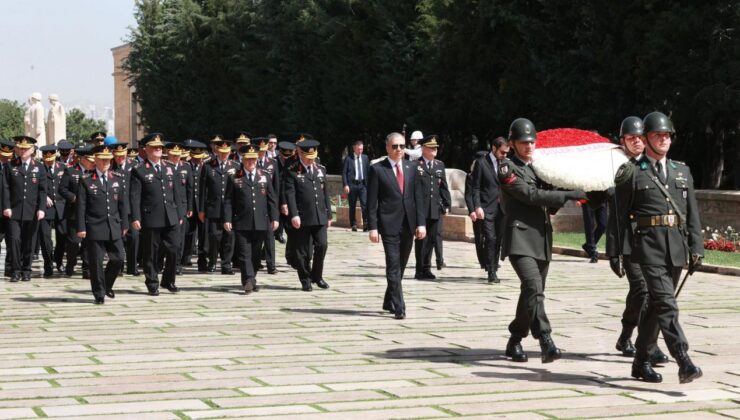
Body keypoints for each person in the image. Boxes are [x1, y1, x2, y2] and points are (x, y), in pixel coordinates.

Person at [611, 111, 703, 384]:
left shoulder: (681, 171)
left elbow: (692, 213)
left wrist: (696, 247)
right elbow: (618, 216)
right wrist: (614, 252)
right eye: (657, 135)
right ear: (646, 139)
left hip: (675, 247)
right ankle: (683, 359)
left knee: (654, 307)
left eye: (667, 135)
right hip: (647, 248)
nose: (664, 140)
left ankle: (640, 362)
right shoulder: (631, 173)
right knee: (666, 302)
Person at [498, 118, 586, 363]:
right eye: (523, 142)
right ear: (513, 144)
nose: (528, 146)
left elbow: (547, 201)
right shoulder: (506, 168)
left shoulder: (540, 168)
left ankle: (515, 340)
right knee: (534, 288)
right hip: (520, 238)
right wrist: (566, 195)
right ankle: (546, 340)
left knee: (532, 292)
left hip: (541, 238)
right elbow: (531, 195)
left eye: (531, 142)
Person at [606, 116, 669, 365]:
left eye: (640, 138)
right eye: (631, 138)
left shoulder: (653, 165)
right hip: (629, 241)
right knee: (642, 289)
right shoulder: (616, 167)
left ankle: (629, 337)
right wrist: (613, 251)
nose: (637, 142)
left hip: (651, 241)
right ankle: (646, 344)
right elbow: (616, 214)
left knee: (649, 293)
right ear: (622, 141)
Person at [367, 132, 426, 320]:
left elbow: (418, 197)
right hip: (388, 225)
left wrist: (421, 223)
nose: (399, 149)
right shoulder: (377, 169)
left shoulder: (412, 167)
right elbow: (372, 202)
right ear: (387, 148)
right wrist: (373, 227)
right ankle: (399, 306)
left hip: (408, 224)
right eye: (395, 146)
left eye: (401, 146)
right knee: (392, 265)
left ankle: (388, 298)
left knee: (400, 265)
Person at [130, 133, 182, 296]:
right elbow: (135, 196)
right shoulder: (139, 170)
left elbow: (177, 193)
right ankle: (152, 282)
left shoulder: (170, 167)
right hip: (151, 217)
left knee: (174, 248)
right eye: (155, 147)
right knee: (151, 253)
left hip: (170, 215)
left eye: (160, 147)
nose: (158, 150)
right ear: (146, 150)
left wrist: (179, 213)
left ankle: (168, 280)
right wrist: (136, 217)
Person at [223, 144, 279, 294]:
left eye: (254, 159)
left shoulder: (264, 175)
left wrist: (275, 218)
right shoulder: (234, 176)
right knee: (243, 253)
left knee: (255, 254)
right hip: (241, 221)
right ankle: (248, 279)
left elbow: (272, 199)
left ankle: (251, 279)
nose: (251, 162)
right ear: (243, 160)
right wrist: (227, 219)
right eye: (248, 159)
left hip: (261, 221)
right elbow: (228, 200)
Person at [77, 145, 128, 304]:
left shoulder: (117, 178)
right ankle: (99, 293)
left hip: (113, 225)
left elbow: (122, 204)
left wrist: (124, 224)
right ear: (96, 160)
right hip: (94, 226)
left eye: (108, 160)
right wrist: (81, 227)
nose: (106, 162)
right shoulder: (86, 180)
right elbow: (81, 206)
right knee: (96, 262)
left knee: (119, 258)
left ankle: (106, 284)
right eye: (103, 159)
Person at [284, 139, 332, 291]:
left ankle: (317, 276)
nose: (311, 160)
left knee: (322, 245)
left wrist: (329, 214)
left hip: (319, 216)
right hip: (302, 216)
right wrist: (294, 214)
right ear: (300, 154)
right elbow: (290, 194)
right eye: (308, 157)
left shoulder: (320, 169)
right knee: (302, 251)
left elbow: (325, 193)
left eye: (313, 157)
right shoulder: (293, 170)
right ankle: (305, 278)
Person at [3, 136, 47, 282]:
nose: (23, 151)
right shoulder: (10, 166)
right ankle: (15, 270)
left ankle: (26, 269)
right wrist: (7, 206)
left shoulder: (39, 167)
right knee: (14, 240)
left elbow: (42, 190)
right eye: (20, 148)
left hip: (32, 211)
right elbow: (6, 188)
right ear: (16, 149)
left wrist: (41, 209)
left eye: (26, 149)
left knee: (29, 242)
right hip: (14, 211)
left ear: (32, 150)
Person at [472, 136, 510, 283]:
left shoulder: (506, 163)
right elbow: (475, 187)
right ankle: (491, 272)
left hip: (502, 208)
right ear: (494, 148)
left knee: (498, 239)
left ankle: (493, 266)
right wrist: (477, 206)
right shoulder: (481, 163)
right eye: (502, 152)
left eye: (507, 152)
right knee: (490, 238)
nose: (505, 155)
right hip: (486, 207)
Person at [199, 136, 239, 274]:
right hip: (213, 207)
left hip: (230, 208)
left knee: (229, 237)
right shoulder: (208, 166)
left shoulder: (235, 166)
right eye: (221, 152)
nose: (224, 154)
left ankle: (226, 264)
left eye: (226, 152)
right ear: (217, 152)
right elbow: (202, 189)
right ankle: (212, 261)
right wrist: (201, 209)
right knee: (214, 237)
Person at [413, 135, 450, 280]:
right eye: (431, 147)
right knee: (422, 239)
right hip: (421, 209)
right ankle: (419, 269)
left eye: (436, 147)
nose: (435, 150)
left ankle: (427, 268)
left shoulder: (439, 165)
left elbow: (443, 187)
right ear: (423, 149)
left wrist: (447, 204)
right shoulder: (416, 165)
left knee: (433, 239)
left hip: (435, 208)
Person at [38, 145, 67, 277]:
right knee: (45, 238)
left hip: (61, 207)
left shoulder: (63, 167)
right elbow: (35, 187)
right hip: (46, 208)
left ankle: (58, 260)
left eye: (51, 158)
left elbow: (67, 185)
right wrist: (44, 198)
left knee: (62, 236)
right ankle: (48, 264)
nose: (48, 161)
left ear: (55, 156)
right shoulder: (38, 168)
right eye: (46, 159)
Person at [165, 142, 193, 276]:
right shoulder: (164, 167)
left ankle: (176, 265)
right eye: (173, 155)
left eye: (178, 155)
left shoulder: (186, 167)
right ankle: (161, 262)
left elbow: (190, 189)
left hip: (181, 206)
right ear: (168, 154)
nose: (175, 158)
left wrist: (190, 207)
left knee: (179, 237)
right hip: (167, 205)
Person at [182, 140, 209, 271]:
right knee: (188, 233)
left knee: (203, 236)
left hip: (202, 207)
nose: (197, 160)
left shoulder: (206, 166)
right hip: (191, 206)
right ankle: (185, 258)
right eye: (195, 157)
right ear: (191, 155)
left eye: (200, 158)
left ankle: (202, 260)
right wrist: (188, 207)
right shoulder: (186, 166)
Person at [256, 137, 280, 274]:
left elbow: (276, 186)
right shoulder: (251, 163)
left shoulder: (272, 163)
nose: (261, 154)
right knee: (258, 236)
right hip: (256, 204)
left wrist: (276, 207)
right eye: (260, 151)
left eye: (263, 151)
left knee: (270, 237)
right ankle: (257, 261)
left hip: (268, 205)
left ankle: (271, 265)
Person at [465, 150, 489, 269]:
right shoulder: (471, 176)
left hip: (489, 209)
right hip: (477, 210)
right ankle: (482, 261)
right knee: (479, 237)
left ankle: (491, 260)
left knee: (491, 236)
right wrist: (471, 211)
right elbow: (468, 195)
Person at [342, 139, 369, 232]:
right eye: (358, 149)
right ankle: (353, 224)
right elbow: (344, 173)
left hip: (362, 185)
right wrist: (346, 185)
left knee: (364, 205)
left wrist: (368, 185)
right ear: (354, 148)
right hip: (352, 185)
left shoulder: (365, 158)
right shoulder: (348, 159)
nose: (360, 151)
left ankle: (366, 223)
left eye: (361, 149)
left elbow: (368, 172)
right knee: (352, 206)